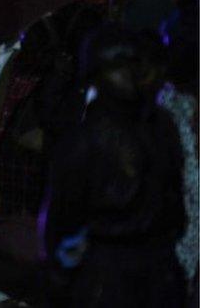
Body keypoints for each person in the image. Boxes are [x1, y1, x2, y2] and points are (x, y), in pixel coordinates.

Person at [41, 26, 185, 307]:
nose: (134, 74)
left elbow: (59, 222)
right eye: (122, 66)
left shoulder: (159, 126)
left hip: (137, 270)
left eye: (136, 64)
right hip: (111, 271)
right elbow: (61, 219)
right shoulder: (88, 136)